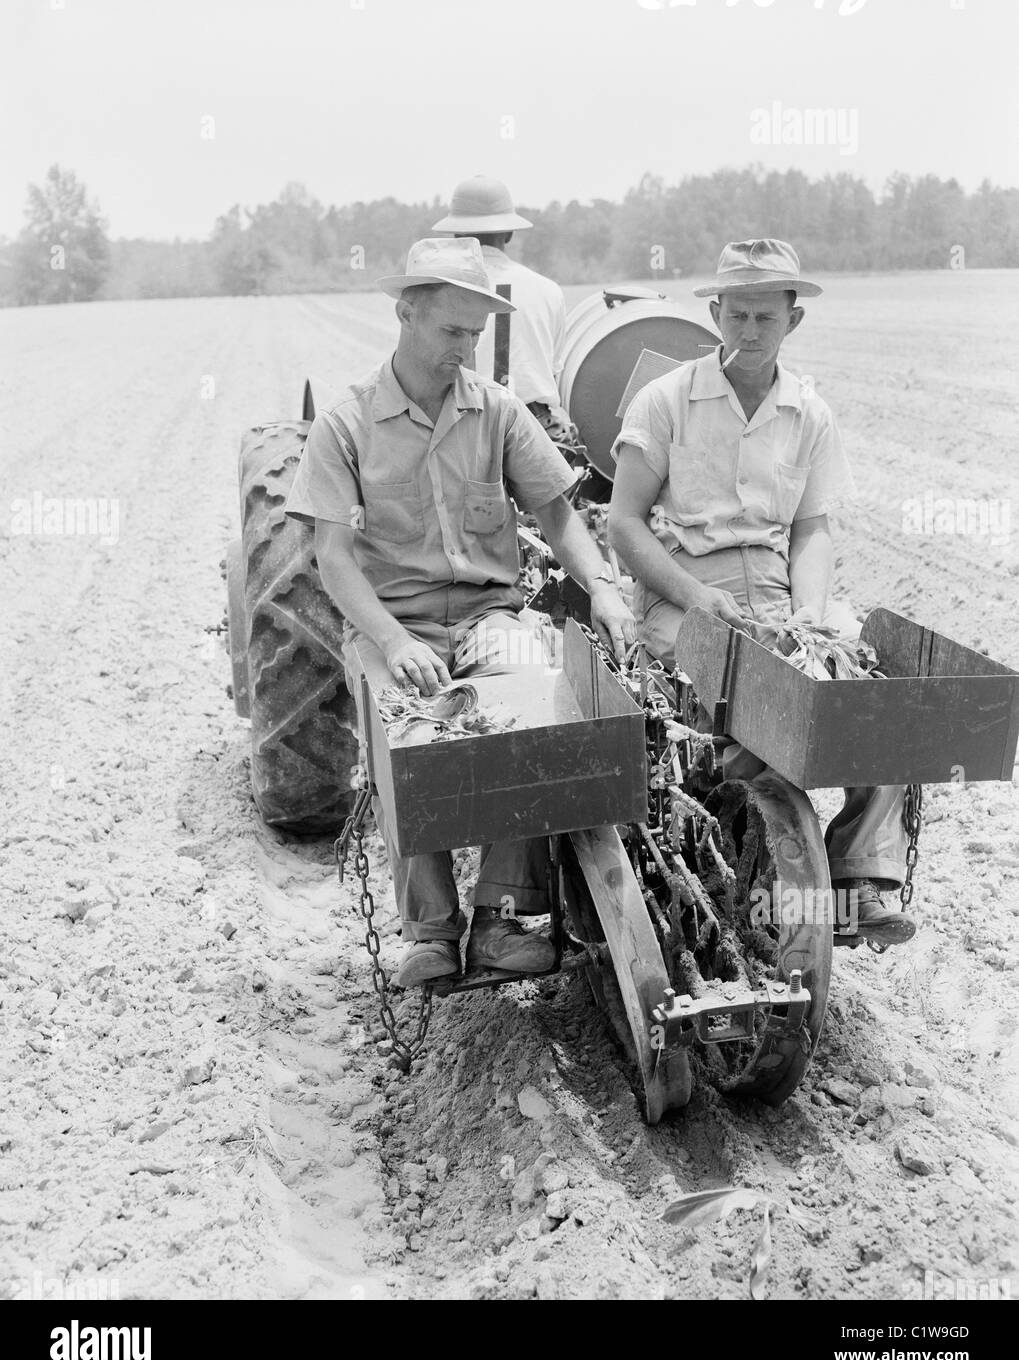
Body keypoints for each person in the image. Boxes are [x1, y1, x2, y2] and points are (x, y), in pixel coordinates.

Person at [286, 237, 634, 986]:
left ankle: (504, 918)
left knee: (532, 705)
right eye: (451, 330)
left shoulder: (498, 411)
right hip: (391, 622)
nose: (465, 347)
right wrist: (388, 638)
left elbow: (556, 511)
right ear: (406, 314)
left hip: (487, 618)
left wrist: (602, 585)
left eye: (475, 333)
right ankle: (432, 931)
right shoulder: (346, 424)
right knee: (407, 736)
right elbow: (334, 557)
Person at [607, 238, 916, 950]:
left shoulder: (808, 413)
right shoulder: (666, 402)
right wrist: (688, 595)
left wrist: (810, 611)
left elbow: (811, 528)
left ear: (792, 322)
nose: (748, 332)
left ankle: (853, 878)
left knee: (877, 700)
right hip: (684, 589)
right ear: (714, 312)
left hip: (778, 591)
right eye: (735, 315)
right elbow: (624, 524)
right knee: (741, 703)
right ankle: (738, 839)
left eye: (764, 319)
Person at [433, 175, 568, 438]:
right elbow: (553, 370)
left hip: (460, 427)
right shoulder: (549, 291)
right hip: (534, 428)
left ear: (457, 235)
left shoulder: (438, 292)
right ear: (509, 233)